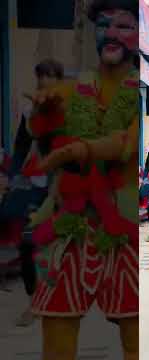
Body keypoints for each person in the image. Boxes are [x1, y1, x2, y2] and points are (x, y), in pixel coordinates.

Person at [27, 1, 140, 358]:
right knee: (57, 322)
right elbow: (39, 128)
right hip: (74, 222)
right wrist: (41, 112)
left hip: (124, 227)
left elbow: (128, 144)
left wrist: (81, 151)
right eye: (104, 25)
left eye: (123, 26)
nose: (111, 33)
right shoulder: (74, 89)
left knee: (137, 332)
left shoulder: (144, 92)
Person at [0, 59, 64, 327]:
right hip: (36, 187)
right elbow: (21, 147)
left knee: (61, 248)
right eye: (41, 77)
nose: (44, 82)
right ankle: (34, 303)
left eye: (49, 77)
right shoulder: (31, 111)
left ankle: (61, 299)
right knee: (27, 244)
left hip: (65, 187)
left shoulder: (71, 110)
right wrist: (13, 178)